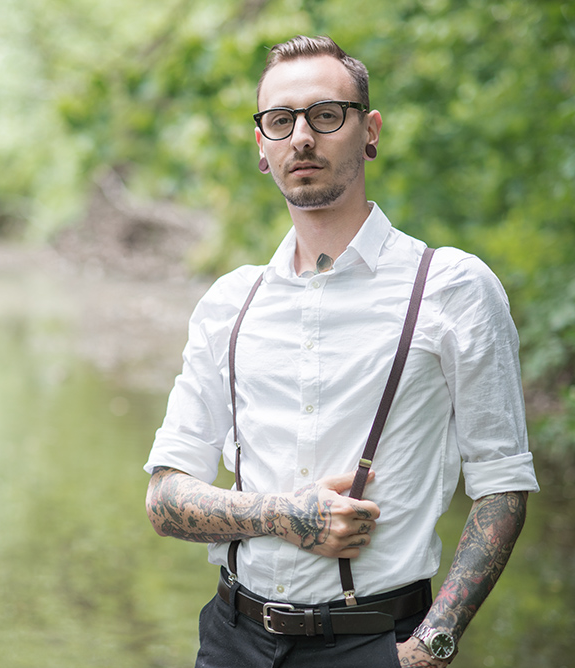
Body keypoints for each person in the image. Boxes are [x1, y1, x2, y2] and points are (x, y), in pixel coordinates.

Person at [143, 35, 538, 667]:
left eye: (325, 115)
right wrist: (283, 514)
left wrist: (433, 645)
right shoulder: (230, 303)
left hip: (376, 643)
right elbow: (165, 499)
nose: (302, 137)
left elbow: (503, 485)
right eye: (281, 121)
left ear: (369, 131)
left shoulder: (451, 287)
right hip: (230, 640)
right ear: (262, 146)